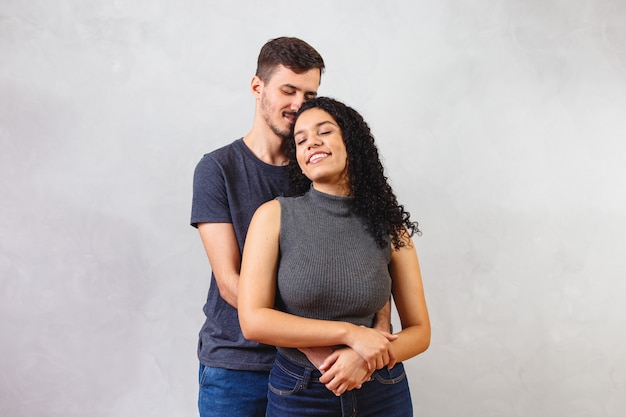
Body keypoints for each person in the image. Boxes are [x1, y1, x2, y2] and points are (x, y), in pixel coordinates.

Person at [190, 38, 390, 417]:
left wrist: (377, 332)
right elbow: (232, 281)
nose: (299, 104)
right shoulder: (218, 170)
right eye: (288, 90)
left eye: (310, 93)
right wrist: (318, 348)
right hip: (239, 367)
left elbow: (369, 257)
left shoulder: (319, 167)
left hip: (318, 371)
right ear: (257, 87)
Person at [238, 97, 431, 417]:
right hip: (300, 393)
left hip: (382, 391)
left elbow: (420, 331)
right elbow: (254, 320)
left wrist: (366, 358)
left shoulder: (389, 225)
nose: (310, 141)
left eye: (324, 132)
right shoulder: (272, 217)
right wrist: (350, 334)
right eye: (300, 140)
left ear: (351, 143)